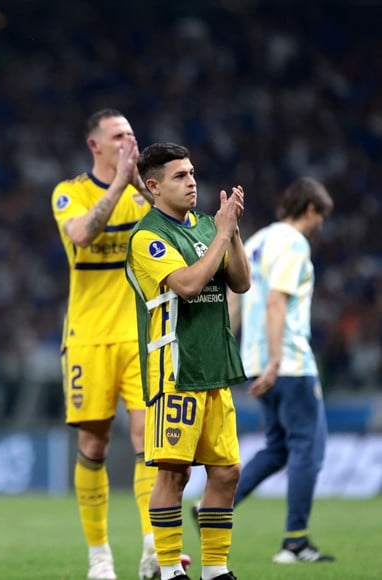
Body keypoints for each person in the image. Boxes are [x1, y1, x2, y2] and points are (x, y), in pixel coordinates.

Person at [51, 109, 176, 580]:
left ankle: (152, 547)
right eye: (119, 135)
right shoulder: (69, 193)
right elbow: (83, 233)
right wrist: (120, 184)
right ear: (95, 145)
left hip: (141, 336)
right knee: (94, 444)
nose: (130, 140)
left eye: (132, 132)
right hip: (87, 338)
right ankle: (99, 556)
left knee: (149, 439)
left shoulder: (148, 194)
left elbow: (179, 223)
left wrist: (139, 183)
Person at [125, 142, 250, 580]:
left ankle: (216, 570)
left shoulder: (203, 226)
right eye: (180, 176)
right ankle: (169, 570)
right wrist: (219, 235)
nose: (192, 181)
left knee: (227, 471)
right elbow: (190, 285)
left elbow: (241, 282)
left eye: (193, 173)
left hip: (215, 366)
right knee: (173, 475)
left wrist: (231, 233)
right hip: (175, 370)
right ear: (154, 186)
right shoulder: (147, 237)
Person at [229, 176, 335, 564]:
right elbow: (276, 302)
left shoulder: (256, 242)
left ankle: (214, 509)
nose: (322, 223)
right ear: (310, 210)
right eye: (321, 215)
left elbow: (234, 300)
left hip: (255, 359)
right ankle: (295, 542)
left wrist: (233, 355)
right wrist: (275, 362)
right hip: (287, 362)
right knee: (310, 449)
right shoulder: (293, 244)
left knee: (276, 448)